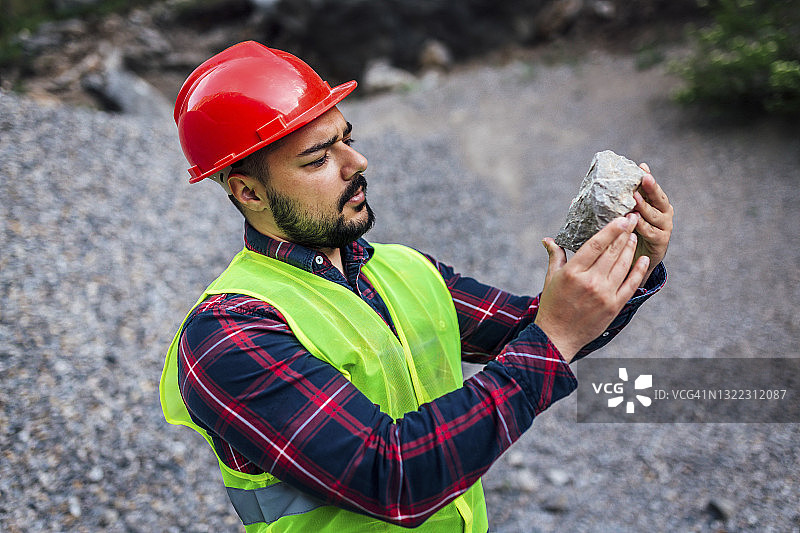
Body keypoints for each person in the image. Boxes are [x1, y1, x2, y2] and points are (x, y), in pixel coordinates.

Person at [160, 40, 672, 532]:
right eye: (319, 158)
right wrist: (555, 335)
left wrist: (635, 260)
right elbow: (394, 477)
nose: (356, 164)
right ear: (248, 191)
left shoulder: (406, 269)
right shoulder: (228, 333)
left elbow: (541, 326)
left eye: (348, 140)